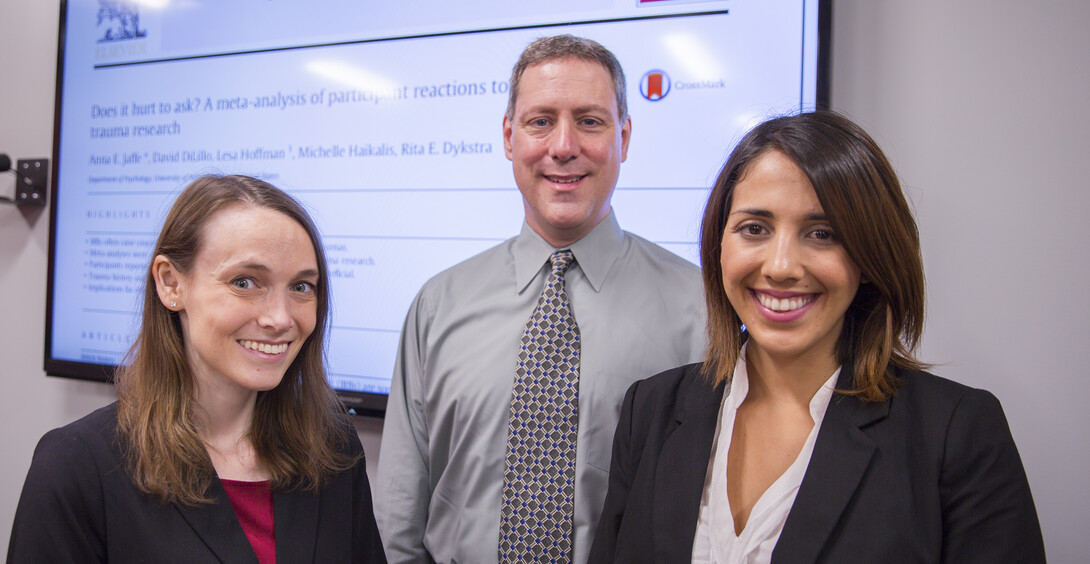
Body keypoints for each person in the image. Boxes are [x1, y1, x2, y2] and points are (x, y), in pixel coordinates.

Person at [589, 111, 1046, 563]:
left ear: (870, 258)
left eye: (823, 234)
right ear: (719, 245)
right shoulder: (650, 410)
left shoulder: (957, 433)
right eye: (754, 229)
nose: (781, 266)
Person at [375, 34, 706, 563]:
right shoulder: (438, 306)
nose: (563, 145)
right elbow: (399, 512)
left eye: (591, 121)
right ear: (510, 137)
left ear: (624, 135)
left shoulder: (700, 310)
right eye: (540, 121)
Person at [7, 175, 386, 563]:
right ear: (171, 284)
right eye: (245, 282)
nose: (280, 317)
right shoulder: (76, 468)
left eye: (302, 287)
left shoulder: (333, 449)